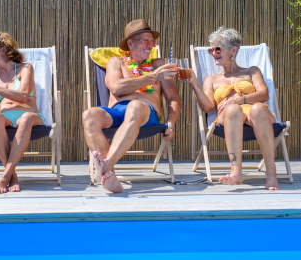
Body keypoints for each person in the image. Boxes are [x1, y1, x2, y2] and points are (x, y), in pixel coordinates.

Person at [82, 19, 182, 193]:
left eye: (153, 41)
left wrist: (171, 123)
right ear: (130, 43)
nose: (150, 45)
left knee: (135, 106)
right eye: (145, 40)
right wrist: (152, 78)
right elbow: (117, 88)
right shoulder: (117, 62)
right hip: (117, 111)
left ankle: (105, 166)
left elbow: (174, 97)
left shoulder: (157, 65)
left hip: (145, 113)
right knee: (89, 114)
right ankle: (110, 177)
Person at [187, 27, 280, 190]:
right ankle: (236, 173)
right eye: (211, 50)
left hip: (256, 115)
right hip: (228, 117)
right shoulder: (211, 79)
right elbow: (208, 106)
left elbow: (264, 94)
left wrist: (240, 99)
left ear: (233, 50)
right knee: (233, 110)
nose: (213, 53)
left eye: (217, 49)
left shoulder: (251, 71)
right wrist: (195, 83)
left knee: (258, 108)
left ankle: (272, 174)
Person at [0, 32, 45, 194]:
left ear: (4, 49)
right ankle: (12, 175)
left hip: (29, 115)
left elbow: (24, 96)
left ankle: (5, 176)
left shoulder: (25, 68)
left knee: (25, 118)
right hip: (2, 119)